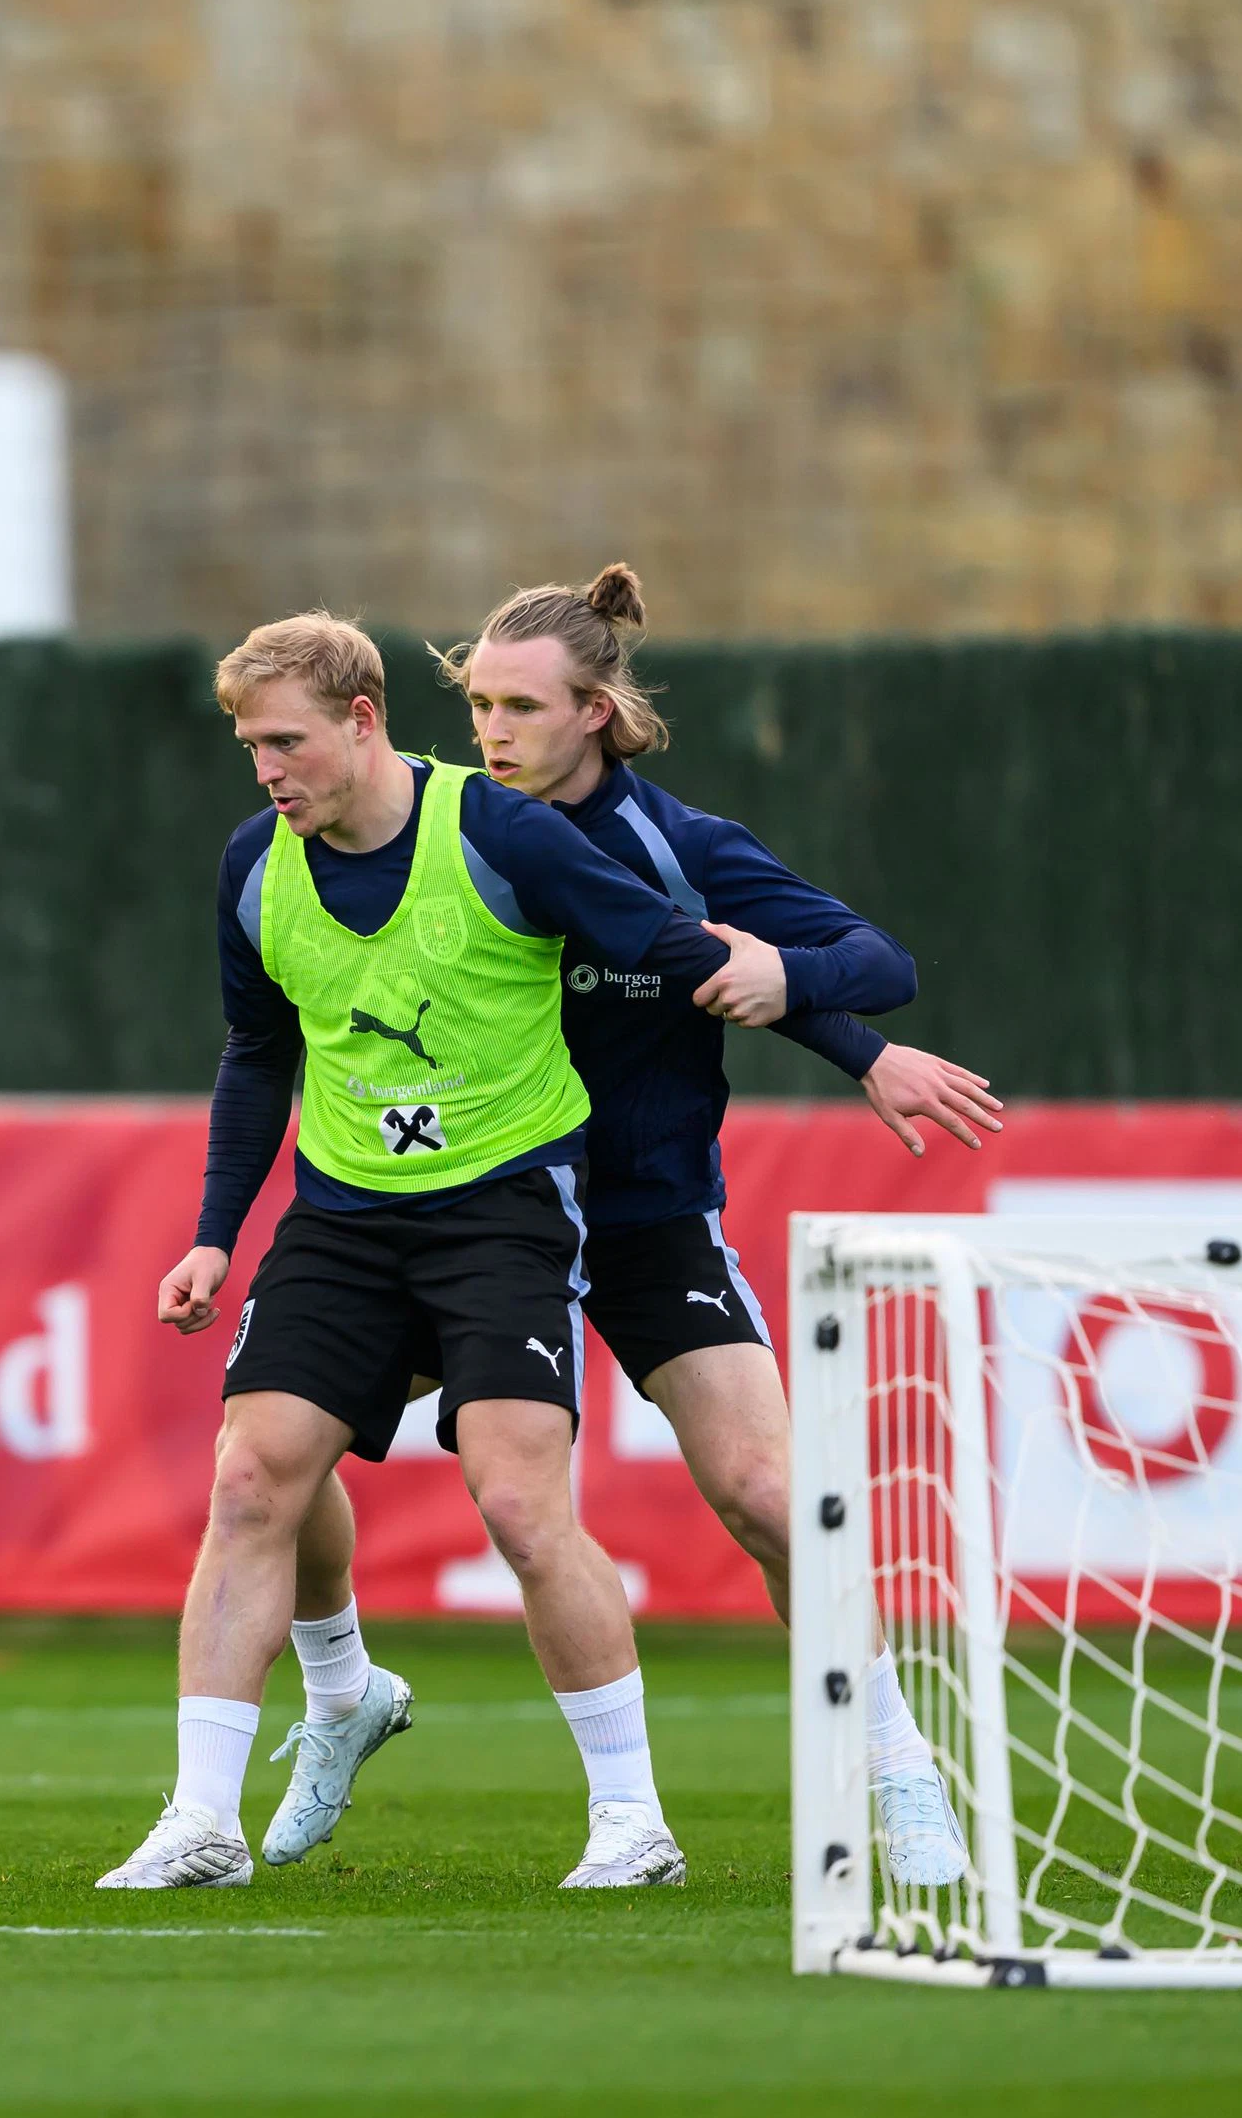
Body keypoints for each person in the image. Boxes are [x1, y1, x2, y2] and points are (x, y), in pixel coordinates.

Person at [314, 562, 978, 1888]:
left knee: (770, 1495)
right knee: (273, 1449)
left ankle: (898, 1765)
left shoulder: (680, 846)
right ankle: (342, 1688)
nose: (491, 730)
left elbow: (871, 962)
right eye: (476, 704)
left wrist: (817, 1002)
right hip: (472, 1221)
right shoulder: (445, 831)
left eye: (520, 706)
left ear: (597, 713)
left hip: (642, 1217)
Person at [110, 614, 736, 1893]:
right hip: (343, 1215)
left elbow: (667, 946)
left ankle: (632, 1822)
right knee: (252, 1478)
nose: (267, 771)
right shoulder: (255, 864)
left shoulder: (500, 831)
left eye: (286, 742)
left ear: (362, 720)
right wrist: (215, 1235)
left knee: (516, 1503)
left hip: (506, 1205)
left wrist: (845, 1021)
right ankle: (206, 1820)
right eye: (248, 748)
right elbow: (256, 1053)